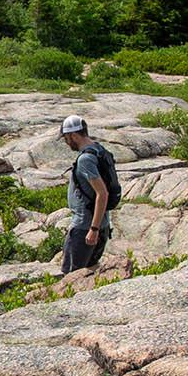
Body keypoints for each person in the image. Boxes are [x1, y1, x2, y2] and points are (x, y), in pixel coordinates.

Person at [58, 114, 117, 273]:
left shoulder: (85, 159)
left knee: (72, 275)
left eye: (66, 138)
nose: (66, 142)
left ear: (74, 135)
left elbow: (102, 193)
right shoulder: (99, 149)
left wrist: (93, 229)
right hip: (102, 224)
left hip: (86, 227)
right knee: (90, 271)